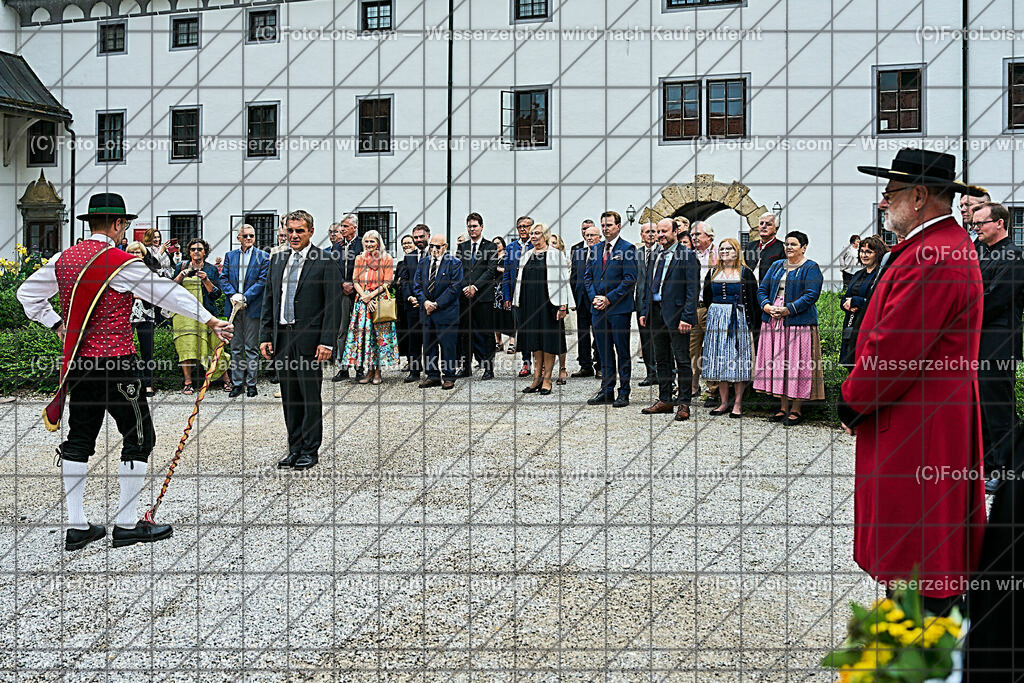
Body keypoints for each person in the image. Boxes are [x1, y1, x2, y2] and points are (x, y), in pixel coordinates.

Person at [16, 192, 232, 550]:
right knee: (139, 437)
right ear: (117, 224)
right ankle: (128, 524)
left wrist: (58, 326)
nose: (124, 232)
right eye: (124, 226)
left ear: (90, 224)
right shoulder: (120, 263)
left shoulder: (63, 259)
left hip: (81, 365)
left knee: (80, 438)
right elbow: (166, 295)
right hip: (118, 364)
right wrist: (209, 318)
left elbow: (27, 295)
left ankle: (77, 526)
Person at [838, 149, 988, 616]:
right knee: (923, 544)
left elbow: (894, 350)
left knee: (918, 550)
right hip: (926, 414)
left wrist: (851, 403)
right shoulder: (938, 246)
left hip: (917, 423)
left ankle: (917, 650)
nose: (884, 204)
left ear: (919, 195)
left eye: (890, 194)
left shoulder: (933, 255)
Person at [260, 210, 341, 470]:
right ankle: (294, 448)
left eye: (299, 231)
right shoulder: (278, 260)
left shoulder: (325, 260)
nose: (294, 235)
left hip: (310, 340)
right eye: (290, 230)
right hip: (283, 338)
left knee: (309, 396)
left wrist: (327, 341)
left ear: (310, 232)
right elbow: (269, 300)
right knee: (290, 397)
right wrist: (266, 335)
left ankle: (310, 449)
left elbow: (333, 305)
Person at [973, 202, 1024, 494]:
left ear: (1000, 224)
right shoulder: (981, 253)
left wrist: (961, 315)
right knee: (980, 405)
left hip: (998, 340)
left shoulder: (1014, 256)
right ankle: (989, 464)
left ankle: (1008, 471)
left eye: (981, 223)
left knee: (999, 407)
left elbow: (996, 298)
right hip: (977, 339)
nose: (976, 228)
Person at [752, 231, 824, 425]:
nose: (789, 247)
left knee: (796, 364)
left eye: (793, 244)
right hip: (774, 319)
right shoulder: (776, 266)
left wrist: (788, 309)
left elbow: (811, 295)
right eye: (786, 244)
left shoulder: (811, 268)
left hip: (797, 322)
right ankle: (782, 407)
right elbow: (762, 289)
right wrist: (766, 306)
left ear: (804, 247)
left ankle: (797, 409)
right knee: (779, 363)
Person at [637, 218, 700, 421]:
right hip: (655, 313)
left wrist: (687, 317)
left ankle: (683, 402)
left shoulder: (687, 256)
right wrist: (644, 310)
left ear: (675, 232)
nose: (660, 235)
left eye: (665, 231)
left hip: (677, 314)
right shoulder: (655, 254)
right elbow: (648, 285)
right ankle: (665, 399)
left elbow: (692, 290)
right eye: (658, 231)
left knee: (681, 360)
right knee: (661, 358)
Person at [584, 210, 638, 408]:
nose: (606, 229)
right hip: (598, 309)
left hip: (618, 309)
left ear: (618, 226)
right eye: (603, 225)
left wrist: (609, 298)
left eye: (609, 225)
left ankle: (624, 392)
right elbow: (587, 277)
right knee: (604, 351)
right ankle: (606, 390)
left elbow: (630, 280)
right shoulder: (596, 249)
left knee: (622, 351)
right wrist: (594, 299)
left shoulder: (628, 248)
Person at [700, 238, 759, 418]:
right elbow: (708, 297)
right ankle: (724, 402)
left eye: (729, 249)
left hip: (738, 318)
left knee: (737, 361)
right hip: (717, 319)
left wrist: (752, 325)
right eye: (722, 249)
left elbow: (752, 299)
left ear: (737, 251)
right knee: (720, 360)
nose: (725, 251)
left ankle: (738, 404)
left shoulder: (745, 273)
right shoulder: (713, 272)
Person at [513, 223, 570, 395]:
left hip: (549, 304)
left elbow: (563, 281)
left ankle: (547, 379)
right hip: (529, 305)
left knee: (548, 342)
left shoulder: (555, 255)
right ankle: (536, 378)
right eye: (531, 233)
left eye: (537, 233)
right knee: (534, 342)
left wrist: (563, 305)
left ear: (545, 235)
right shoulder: (527, 255)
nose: (533, 236)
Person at [170, 238, 228, 395]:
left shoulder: (210, 269)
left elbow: (217, 294)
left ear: (205, 252)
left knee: (215, 344)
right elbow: (169, 289)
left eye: (200, 249)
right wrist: (181, 276)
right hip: (183, 314)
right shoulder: (180, 266)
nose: (196, 252)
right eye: (193, 249)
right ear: (189, 252)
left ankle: (225, 379)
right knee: (186, 346)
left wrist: (206, 280)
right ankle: (188, 382)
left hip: (206, 312)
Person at [341, 230, 398, 384]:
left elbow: (387, 282)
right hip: (363, 302)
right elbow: (355, 280)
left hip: (379, 301)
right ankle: (368, 370)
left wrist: (371, 296)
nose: (369, 244)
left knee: (379, 337)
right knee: (365, 337)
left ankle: (378, 372)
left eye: (372, 241)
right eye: (366, 242)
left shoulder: (386, 258)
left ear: (378, 243)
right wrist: (364, 297)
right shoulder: (360, 258)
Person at [221, 223, 270, 398]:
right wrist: (233, 295)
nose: (249, 239)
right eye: (246, 236)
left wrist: (245, 298)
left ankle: (251, 384)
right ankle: (237, 384)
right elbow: (223, 278)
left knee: (251, 347)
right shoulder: (230, 256)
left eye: (252, 236)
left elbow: (263, 281)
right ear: (238, 238)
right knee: (235, 347)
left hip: (251, 307)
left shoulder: (263, 256)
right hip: (233, 308)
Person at [413, 234, 464, 390]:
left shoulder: (455, 263)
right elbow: (417, 285)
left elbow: (454, 288)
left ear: (445, 246)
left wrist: (436, 304)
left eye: (438, 246)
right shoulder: (423, 263)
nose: (434, 249)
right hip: (427, 311)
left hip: (446, 312)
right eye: (432, 246)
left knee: (447, 345)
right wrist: (425, 302)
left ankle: (449, 376)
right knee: (429, 344)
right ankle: (432, 375)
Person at [455, 212, 499, 380]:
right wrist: (466, 287)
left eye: (474, 226)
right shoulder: (462, 247)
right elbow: (458, 270)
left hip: (483, 297)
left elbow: (490, 270)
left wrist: (475, 286)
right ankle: (466, 368)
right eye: (469, 226)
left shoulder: (490, 247)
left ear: (481, 226)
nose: (472, 229)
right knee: (465, 333)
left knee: (486, 333)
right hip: (465, 297)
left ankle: (489, 368)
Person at [838, 235, 888, 368]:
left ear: (878, 254)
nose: (864, 255)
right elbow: (846, 297)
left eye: (869, 252)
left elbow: (879, 300)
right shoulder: (858, 274)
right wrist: (846, 304)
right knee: (851, 364)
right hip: (852, 323)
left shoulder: (881, 275)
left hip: (869, 324)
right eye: (862, 251)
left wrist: (856, 301)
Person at [330, 214, 363, 381]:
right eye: (341, 227)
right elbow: (333, 268)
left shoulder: (362, 244)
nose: (341, 229)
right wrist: (343, 283)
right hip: (341, 292)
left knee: (359, 330)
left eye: (345, 226)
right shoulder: (336, 246)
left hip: (360, 293)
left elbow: (367, 267)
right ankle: (343, 368)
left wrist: (354, 284)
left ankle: (360, 368)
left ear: (354, 227)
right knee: (341, 330)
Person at [689, 221, 718, 403]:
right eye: (692, 235)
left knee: (712, 349)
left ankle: (713, 390)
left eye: (698, 234)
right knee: (692, 350)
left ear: (709, 236)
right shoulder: (689, 256)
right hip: (693, 308)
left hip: (711, 307)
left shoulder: (719, 254)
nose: (694, 238)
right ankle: (692, 387)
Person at [503, 216, 535, 377]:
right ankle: (526, 361)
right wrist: (507, 296)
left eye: (526, 226)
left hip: (534, 294)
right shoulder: (511, 248)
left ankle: (541, 363)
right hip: (517, 294)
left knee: (535, 329)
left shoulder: (536, 246)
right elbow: (507, 274)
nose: (523, 229)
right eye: (520, 227)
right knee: (522, 329)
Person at [125, 241, 158, 396]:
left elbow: (156, 293)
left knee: (147, 350)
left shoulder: (150, 272)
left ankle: (148, 384)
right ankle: (128, 382)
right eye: (132, 252)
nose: (135, 255)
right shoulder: (122, 271)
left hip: (146, 313)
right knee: (125, 349)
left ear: (143, 255)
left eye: (138, 252)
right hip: (126, 314)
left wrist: (137, 293)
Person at [569, 220, 601, 378]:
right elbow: (573, 277)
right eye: (587, 235)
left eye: (592, 235)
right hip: (581, 299)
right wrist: (574, 298)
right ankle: (585, 365)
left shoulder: (603, 252)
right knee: (582, 334)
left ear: (599, 237)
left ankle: (601, 366)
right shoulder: (578, 253)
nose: (589, 237)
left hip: (597, 300)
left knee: (599, 333)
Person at [400, 224, 430, 383]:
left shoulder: (436, 254)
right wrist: (410, 297)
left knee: (431, 339)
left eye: (421, 237)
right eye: (416, 237)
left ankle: (433, 371)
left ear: (428, 236)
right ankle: (414, 370)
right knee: (414, 339)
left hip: (430, 305)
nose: (418, 240)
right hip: (412, 305)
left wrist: (426, 300)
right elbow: (404, 280)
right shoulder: (409, 257)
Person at [634, 222, 659, 386]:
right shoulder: (637, 254)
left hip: (658, 301)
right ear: (641, 235)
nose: (650, 234)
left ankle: (667, 374)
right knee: (646, 338)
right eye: (647, 232)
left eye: (653, 232)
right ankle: (651, 373)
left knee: (662, 338)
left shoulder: (662, 252)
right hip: (641, 300)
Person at [548, 232, 571, 385]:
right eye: (549, 243)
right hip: (543, 301)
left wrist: (564, 304)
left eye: (554, 243)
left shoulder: (564, 261)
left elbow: (565, 283)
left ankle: (562, 368)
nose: (552, 246)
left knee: (559, 336)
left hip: (558, 302)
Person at [395, 234, 417, 373]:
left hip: (413, 301)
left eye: (409, 242)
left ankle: (416, 363)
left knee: (413, 334)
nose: (406, 245)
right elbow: (396, 282)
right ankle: (409, 361)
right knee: (403, 333)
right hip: (400, 302)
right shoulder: (400, 263)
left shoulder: (418, 260)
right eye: (404, 243)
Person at [744, 213, 786, 282]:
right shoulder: (750, 246)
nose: (764, 226)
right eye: (761, 223)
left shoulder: (782, 248)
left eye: (768, 224)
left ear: (776, 229)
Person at [491, 236, 515, 352]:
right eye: (494, 243)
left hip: (505, 287)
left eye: (498, 243)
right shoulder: (492, 257)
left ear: (503, 244)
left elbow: (509, 270)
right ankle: (498, 342)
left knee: (509, 315)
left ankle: (512, 343)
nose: (496, 245)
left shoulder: (507, 255)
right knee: (496, 316)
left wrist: (498, 269)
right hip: (495, 289)